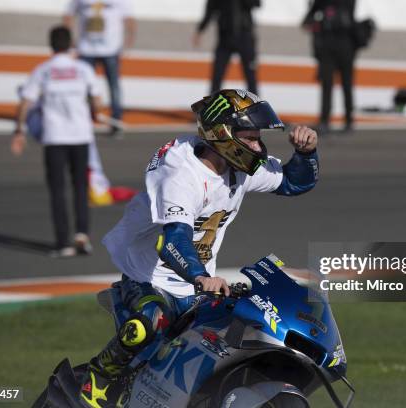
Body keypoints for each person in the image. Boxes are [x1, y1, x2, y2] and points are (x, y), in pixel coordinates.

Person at [78, 89, 319, 406]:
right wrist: (200, 276)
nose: (258, 147)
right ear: (223, 135)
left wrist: (306, 153)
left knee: (230, 337)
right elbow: (172, 241)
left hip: (198, 282)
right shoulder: (180, 174)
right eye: (249, 138)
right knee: (149, 321)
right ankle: (99, 376)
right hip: (148, 276)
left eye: (258, 138)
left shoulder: (239, 164)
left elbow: (293, 182)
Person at [11, 25, 100, 257]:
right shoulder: (83, 69)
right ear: (71, 43)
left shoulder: (42, 70)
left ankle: (64, 243)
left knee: (58, 190)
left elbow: (25, 102)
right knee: (81, 186)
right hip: (81, 136)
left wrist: (19, 131)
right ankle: (82, 235)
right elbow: (96, 99)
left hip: (55, 137)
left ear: (51, 45)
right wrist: (93, 113)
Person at [64, 0, 136, 137]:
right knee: (82, 87)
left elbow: (129, 19)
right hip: (86, 49)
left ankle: (115, 120)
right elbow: (68, 14)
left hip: (111, 49)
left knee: (114, 85)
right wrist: (71, 41)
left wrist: (129, 41)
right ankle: (83, 119)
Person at [303, 0, 357, 133]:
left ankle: (346, 120)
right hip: (330, 45)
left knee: (345, 83)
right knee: (329, 83)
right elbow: (308, 20)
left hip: (343, 44)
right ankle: (326, 120)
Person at [193, 0, 261, 94]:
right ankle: (212, 105)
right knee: (217, 75)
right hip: (225, 38)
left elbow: (257, 4)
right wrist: (200, 30)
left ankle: (256, 106)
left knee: (250, 75)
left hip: (245, 37)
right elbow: (210, 11)